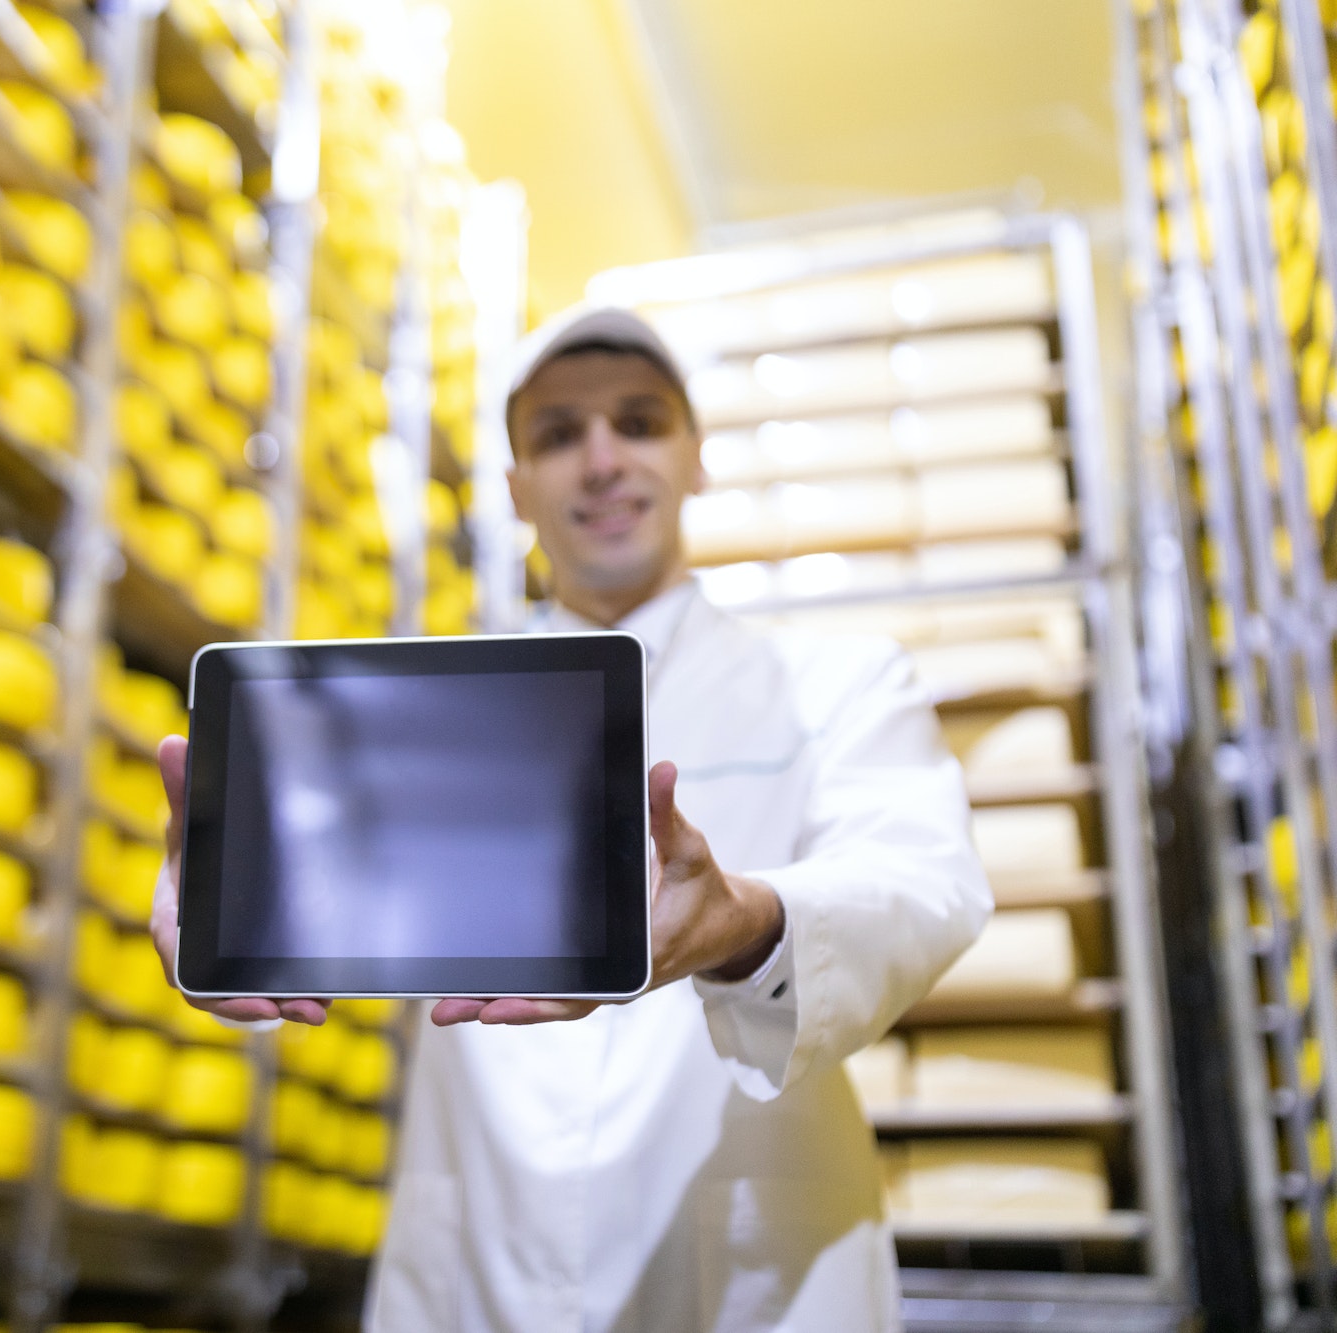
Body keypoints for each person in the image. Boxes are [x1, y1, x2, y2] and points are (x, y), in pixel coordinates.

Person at [149, 304, 993, 1331]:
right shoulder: (416, 710)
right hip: (478, 1252)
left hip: (744, 1267)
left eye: (637, 423)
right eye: (557, 435)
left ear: (694, 458)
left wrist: (748, 926)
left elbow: (923, 885)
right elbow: (339, 889)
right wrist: (237, 889)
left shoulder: (834, 680)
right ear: (514, 487)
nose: (599, 459)